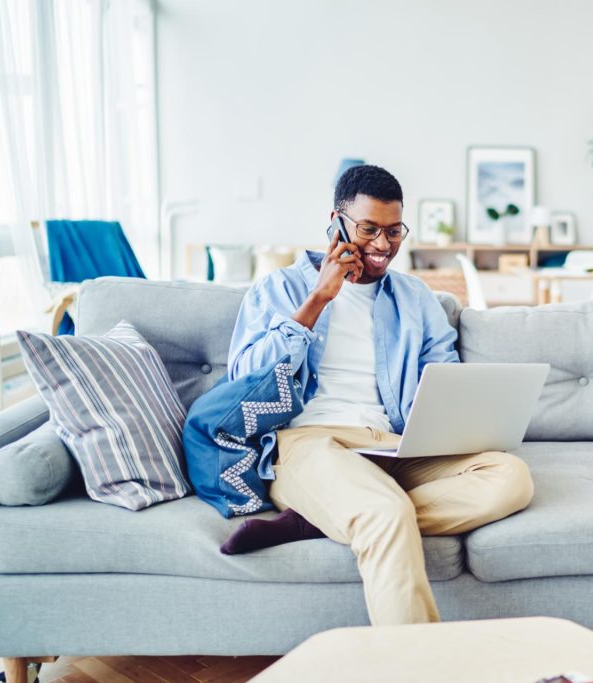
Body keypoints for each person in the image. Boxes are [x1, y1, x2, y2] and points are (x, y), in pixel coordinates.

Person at [224, 164, 535, 625]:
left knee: (510, 477)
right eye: (369, 229)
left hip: (389, 444)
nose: (383, 245)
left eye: (394, 231)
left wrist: (449, 421)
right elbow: (244, 377)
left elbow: (442, 377)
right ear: (336, 222)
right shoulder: (280, 288)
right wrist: (317, 301)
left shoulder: (415, 298)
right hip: (307, 443)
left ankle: (320, 520)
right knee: (384, 511)